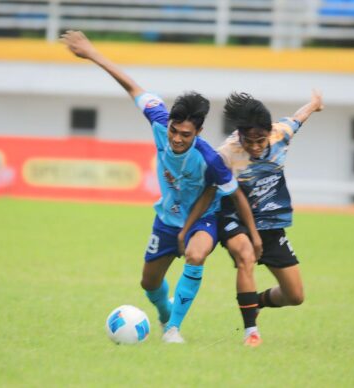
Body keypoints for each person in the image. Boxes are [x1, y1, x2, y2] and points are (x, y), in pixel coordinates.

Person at [61, 30, 260, 344]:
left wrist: (253, 234)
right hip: (166, 218)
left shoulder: (210, 160)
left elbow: (233, 193)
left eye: (185, 134)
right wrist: (91, 52)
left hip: (202, 218)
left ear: (199, 131)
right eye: (174, 131)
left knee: (197, 255)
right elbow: (131, 85)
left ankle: (173, 329)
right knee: (149, 283)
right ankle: (165, 313)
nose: (177, 138)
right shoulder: (157, 118)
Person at [183, 90, 323, 346]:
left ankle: (253, 303)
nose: (256, 146)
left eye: (261, 139)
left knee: (295, 295)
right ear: (239, 135)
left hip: (270, 224)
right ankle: (252, 332)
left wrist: (314, 104)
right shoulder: (227, 154)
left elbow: (298, 117)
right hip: (233, 218)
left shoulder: (281, 133)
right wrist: (188, 226)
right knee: (245, 255)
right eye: (250, 141)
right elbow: (208, 189)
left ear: (270, 131)